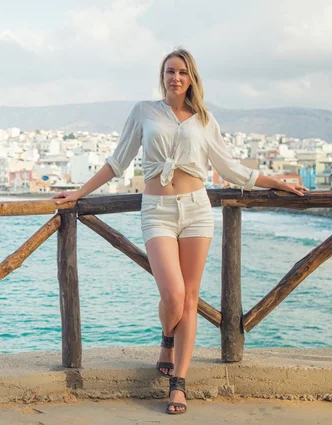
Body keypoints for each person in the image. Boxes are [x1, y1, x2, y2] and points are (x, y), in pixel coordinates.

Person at [52, 48, 308, 414]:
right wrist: (78, 193)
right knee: (172, 294)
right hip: (157, 210)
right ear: (163, 75)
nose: (176, 77)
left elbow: (232, 169)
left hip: (197, 211)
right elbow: (117, 161)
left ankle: (178, 383)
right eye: (170, 71)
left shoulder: (204, 119)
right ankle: (167, 336)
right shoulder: (144, 111)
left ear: (192, 79)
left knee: (189, 297)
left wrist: (278, 184)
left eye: (183, 72)